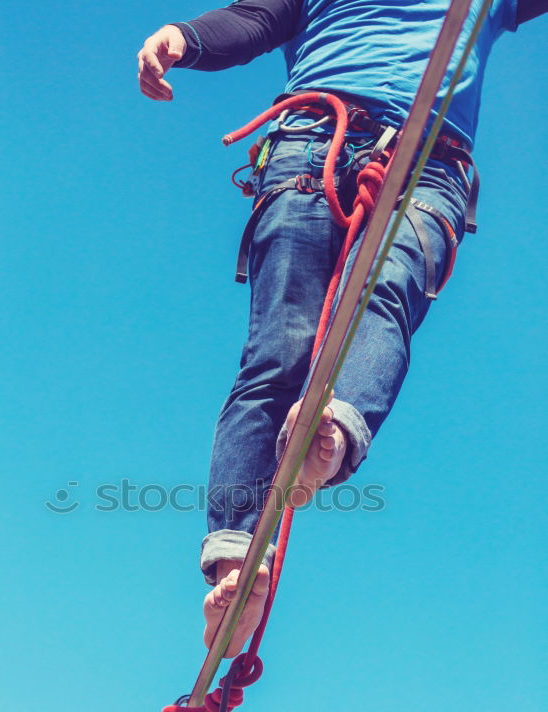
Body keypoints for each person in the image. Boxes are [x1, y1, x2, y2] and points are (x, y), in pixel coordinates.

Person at [137, 0, 546, 657]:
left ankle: (332, 430)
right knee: (278, 353)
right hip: (311, 140)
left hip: (430, 160)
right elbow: (256, 19)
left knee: (386, 291)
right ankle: (237, 567)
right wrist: (182, 38)